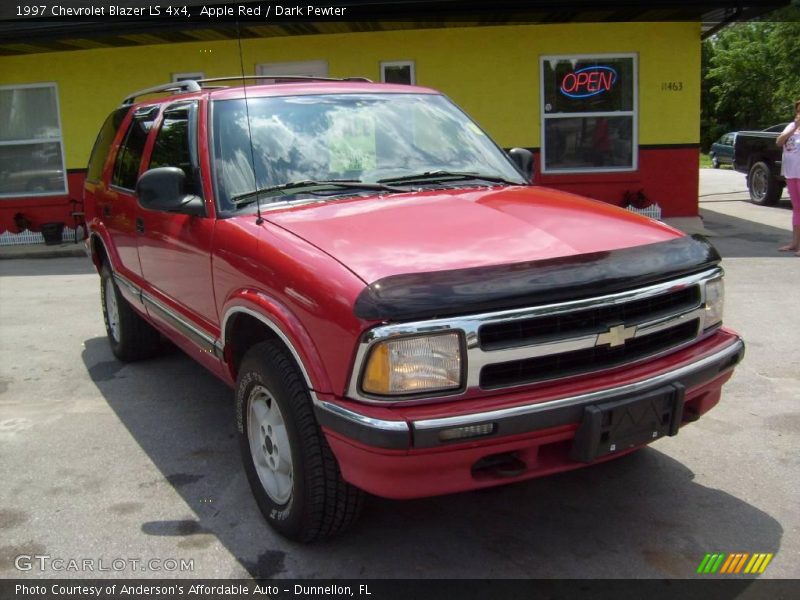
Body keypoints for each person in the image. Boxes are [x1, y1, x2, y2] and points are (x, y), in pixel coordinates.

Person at [776, 100, 800, 255]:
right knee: (797, 209)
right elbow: (779, 142)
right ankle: (795, 243)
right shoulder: (791, 126)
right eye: (798, 110)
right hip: (791, 173)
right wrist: (795, 128)